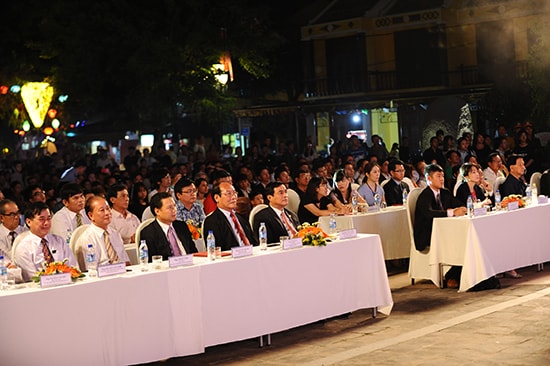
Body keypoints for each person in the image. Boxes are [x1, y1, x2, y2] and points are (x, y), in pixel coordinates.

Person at [414, 164, 467, 288]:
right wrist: (451, 212)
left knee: (465, 239)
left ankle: (459, 274)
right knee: (460, 241)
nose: (442, 179)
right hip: (427, 234)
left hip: (446, 231)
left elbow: (459, 204)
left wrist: (462, 208)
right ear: (429, 178)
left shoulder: (445, 192)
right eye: (438, 176)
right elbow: (428, 214)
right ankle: (452, 276)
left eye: (443, 176)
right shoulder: (425, 195)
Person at [14, 202, 78, 282]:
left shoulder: (59, 241)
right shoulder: (23, 248)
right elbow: (31, 278)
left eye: (48, 218)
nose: (46, 223)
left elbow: (72, 266)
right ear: (28, 222)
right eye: (41, 219)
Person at [139, 192, 198, 260]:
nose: (174, 210)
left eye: (174, 206)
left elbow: (194, 252)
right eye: (170, 207)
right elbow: (151, 262)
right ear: (157, 211)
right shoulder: (148, 233)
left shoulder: (181, 226)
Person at [203, 182, 258, 251]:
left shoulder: (241, 217)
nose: (234, 197)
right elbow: (216, 249)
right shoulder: (212, 221)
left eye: (235, 193)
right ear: (217, 198)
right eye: (229, 194)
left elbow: (254, 241)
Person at [0, 199, 25, 283]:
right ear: (1, 218)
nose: (17, 217)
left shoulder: (26, 232)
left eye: (17, 213)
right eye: (12, 214)